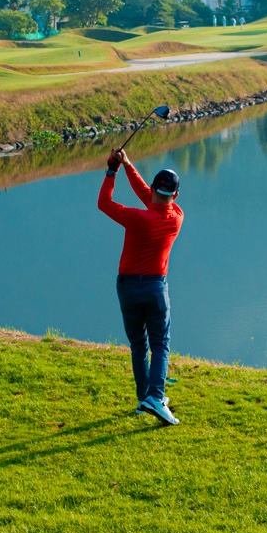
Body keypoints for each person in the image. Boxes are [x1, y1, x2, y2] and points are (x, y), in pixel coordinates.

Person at [98, 146, 183, 424]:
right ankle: (155, 398)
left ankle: (143, 398)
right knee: (160, 343)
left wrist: (114, 170)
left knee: (138, 344)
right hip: (155, 288)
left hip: (127, 287)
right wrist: (128, 164)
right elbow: (152, 198)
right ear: (175, 195)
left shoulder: (136, 218)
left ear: (155, 189)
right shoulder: (176, 218)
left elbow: (104, 203)